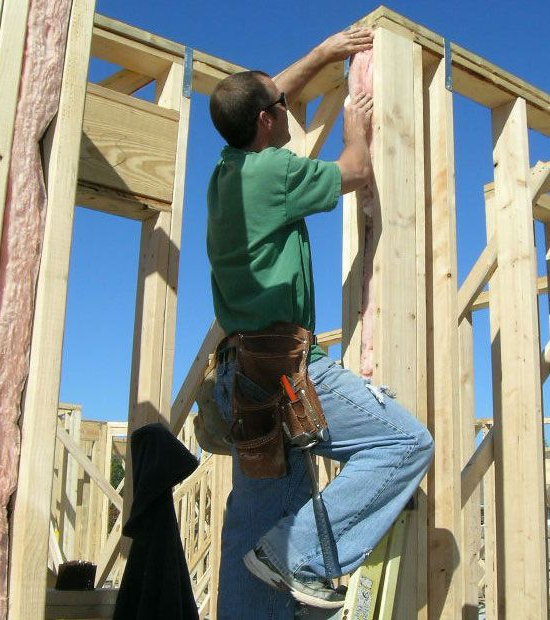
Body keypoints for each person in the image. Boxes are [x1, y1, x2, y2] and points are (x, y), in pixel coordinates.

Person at [206, 28, 434, 619]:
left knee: (257, 530)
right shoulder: (274, 173)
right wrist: (355, 130)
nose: (288, 107)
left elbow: (259, 97)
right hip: (285, 372)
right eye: (279, 108)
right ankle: (305, 555)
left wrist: (323, 53)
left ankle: (283, 560)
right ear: (265, 122)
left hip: (241, 380)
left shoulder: (226, 173)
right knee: (406, 444)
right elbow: (355, 171)